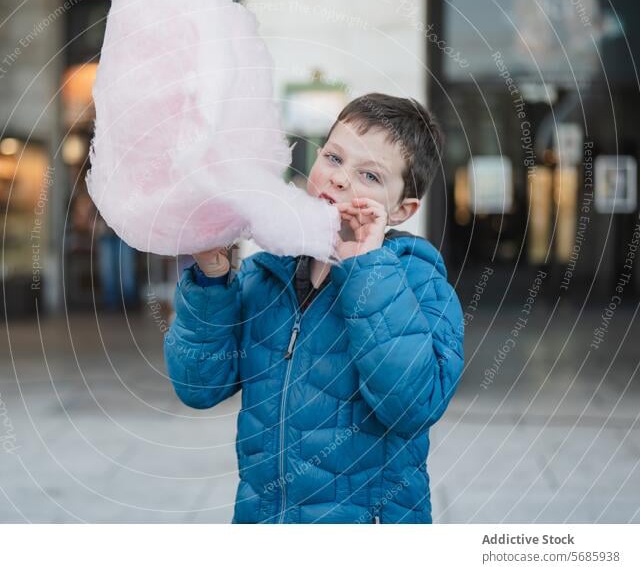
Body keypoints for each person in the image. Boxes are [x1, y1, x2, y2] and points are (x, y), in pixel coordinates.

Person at [164, 93, 465, 524]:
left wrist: (366, 268)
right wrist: (212, 278)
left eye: (370, 175)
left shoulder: (419, 284)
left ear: (402, 209)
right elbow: (198, 386)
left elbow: (414, 406)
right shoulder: (266, 272)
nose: (340, 179)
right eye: (333, 157)